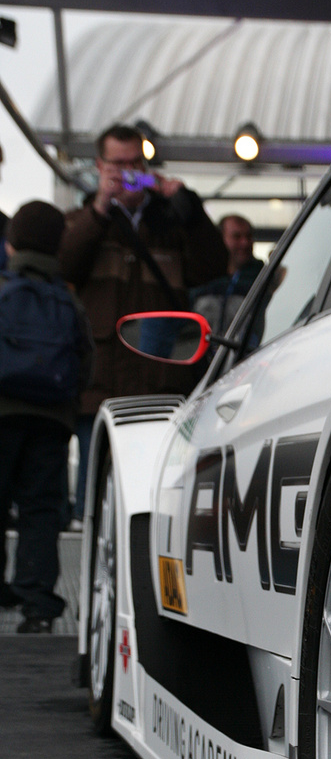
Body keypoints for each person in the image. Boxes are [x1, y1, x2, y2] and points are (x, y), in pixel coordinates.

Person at [58, 122, 227, 523]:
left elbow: (213, 265)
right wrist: (101, 208)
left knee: (156, 505)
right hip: (100, 383)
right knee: (95, 505)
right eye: (118, 164)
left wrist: (188, 206)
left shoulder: (170, 223)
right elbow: (65, 265)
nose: (128, 171)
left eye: (136, 162)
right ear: (99, 166)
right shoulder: (82, 220)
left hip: (160, 383)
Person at [0, 201, 94, 632]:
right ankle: (37, 603)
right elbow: (85, 360)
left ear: (11, 242)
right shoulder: (67, 299)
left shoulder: (4, 285)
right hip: (51, 419)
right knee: (40, 509)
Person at [189, 213, 264, 337]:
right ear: (220, 239)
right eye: (237, 237)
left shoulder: (262, 276)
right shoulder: (201, 275)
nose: (245, 243)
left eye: (248, 236)